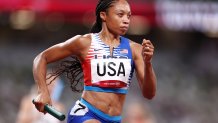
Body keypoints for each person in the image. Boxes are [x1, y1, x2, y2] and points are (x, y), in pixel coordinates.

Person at [32, 0, 157, 123]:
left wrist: (148, 63)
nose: (126, 20)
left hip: (114, 120)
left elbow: (149, 94)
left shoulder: (135, 49)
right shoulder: (84, 43)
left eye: (128, 16)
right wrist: (42, 91)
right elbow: (41, 58)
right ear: (103, 15)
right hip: (85, 114)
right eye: (120, 15)